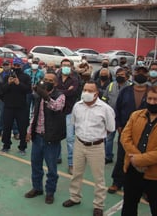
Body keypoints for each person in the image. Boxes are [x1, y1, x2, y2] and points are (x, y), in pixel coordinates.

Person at [62, 81, 115, 216]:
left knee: (99, 178)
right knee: (76, 174)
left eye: (90, 91)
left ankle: (98, 205)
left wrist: (96, 138)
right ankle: (75, 197)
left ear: (96, 93)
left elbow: (110, 129)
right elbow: (74, 123)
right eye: (85, 90)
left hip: (96, 147)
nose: (86, 93)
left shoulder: (105, 109)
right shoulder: (77, 106)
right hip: (79, 144)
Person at [120, 86, 157, 216]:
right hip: (133, 170)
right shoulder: (136, 115)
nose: (152, 102)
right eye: (149, 99)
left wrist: (141, 160)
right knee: (129, 205)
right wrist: (135, 158)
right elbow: (125, 137)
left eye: (156, 99)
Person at [24, 71, 66, 204]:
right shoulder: (38, 95)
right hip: (37, 136)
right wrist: (30, 131)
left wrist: (46, 96)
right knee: (36, 165)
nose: (47, 82)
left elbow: (56, 107)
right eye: (45, 79)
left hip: (51, 138)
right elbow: (35, 113)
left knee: (52, 168)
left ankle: (50, 192)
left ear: (56, 83)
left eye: (51, 80)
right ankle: (37, 188)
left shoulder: (60, 95)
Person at [108, 65, 149, 194]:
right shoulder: (125, 91)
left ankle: (143, 188)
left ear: (147, 76)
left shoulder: (152, 92)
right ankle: (117, 182)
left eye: (143, 72)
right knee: (121, 156)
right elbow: (118, 109)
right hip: (125, 130)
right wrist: (119, 125)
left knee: (143, 158)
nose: (140, 74)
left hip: (146, 132)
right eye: (138, 71)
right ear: (133, 73)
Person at [0, 57, 31, 154]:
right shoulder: (7, 77)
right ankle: (6, 145)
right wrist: (8, 83)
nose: (16, 67)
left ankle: (22, 148)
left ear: (21, 65)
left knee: (22, 128)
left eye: (18, 65)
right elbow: (1, 91)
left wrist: (19, 84)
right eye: (15, 65)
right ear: (12, 65)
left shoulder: (26, 77)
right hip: (8, 107)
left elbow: (28, 90)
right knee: (7, 127)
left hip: (21, 107)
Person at [101, 68, 132, 164]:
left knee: (124, 139)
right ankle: (108, 156)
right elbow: (104, 98)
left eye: (122, 75)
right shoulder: (111, 85)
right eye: (118, 74)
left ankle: (122, 157)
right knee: (109, 138)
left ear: (127, 77)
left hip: (125, 117)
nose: (119, 76)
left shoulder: (130, 87)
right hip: (111, 116)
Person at [56, 58, 79, 174]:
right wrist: (66, 91)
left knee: (70, 139)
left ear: (71, 67)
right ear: (60, 67)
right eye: (63, 65)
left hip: (69, 112)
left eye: (68, 65)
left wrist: (60, 91)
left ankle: (71, 164)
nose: (65, 67)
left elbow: (73, 93)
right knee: (57, 137)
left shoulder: (74, 80)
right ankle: (57, 157)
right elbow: (54, 92)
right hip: (58, 112)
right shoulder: (56, 79)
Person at [0, 61, 19, 138]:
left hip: (12, 99)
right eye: (4, 65)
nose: (5, 66)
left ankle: (16, 132)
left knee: (14, 115)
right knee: (1, 115)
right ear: (2, 66)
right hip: (2, 99)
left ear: (10, 65)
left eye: (7, 65)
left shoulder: (14, 75)